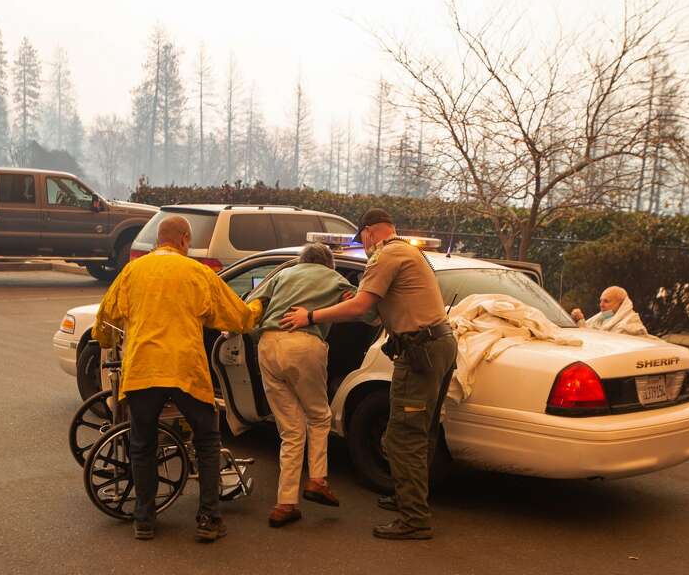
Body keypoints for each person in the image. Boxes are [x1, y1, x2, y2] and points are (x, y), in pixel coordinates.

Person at [280, 209, 457, 541]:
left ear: (370, 232)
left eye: (361, 239)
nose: (362, 247)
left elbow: (361, 308)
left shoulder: (386, 255)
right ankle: (410, 498)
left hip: (420, 353)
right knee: (423, 430)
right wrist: (355, 300)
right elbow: (373, 314)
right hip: (439, 346)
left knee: (402, 437)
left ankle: (414, 518)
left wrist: (311, 315)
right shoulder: (408, 251)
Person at [93, 215, 263, 542]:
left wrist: (106, 342)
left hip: (143, 369)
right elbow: (236, 318)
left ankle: (144, 519)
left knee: (141, 444)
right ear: (184, 239)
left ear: (159, 240)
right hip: (186, 369)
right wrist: (258, 305)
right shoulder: (198, 272)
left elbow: (106, 316)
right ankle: (209, 518)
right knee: (207, 440)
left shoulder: (133, 271)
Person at [254, 243, 364, 528]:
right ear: (329, 264)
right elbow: (360, 310)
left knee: (290, 429)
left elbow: (254, 303)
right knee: (318, 415)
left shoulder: (284, 273)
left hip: (267, 344)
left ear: (301, 260)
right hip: (304, 344)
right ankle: (317, 480)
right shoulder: (334, 278)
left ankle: (285, 504)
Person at [570, 286, 649, 336]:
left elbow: (600, 342)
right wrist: (579, 321)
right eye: (601, 301)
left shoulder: (629, 325)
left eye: (606, 301)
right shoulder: (605, 317)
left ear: (621, 304)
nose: (601, 304)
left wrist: (581, 321)